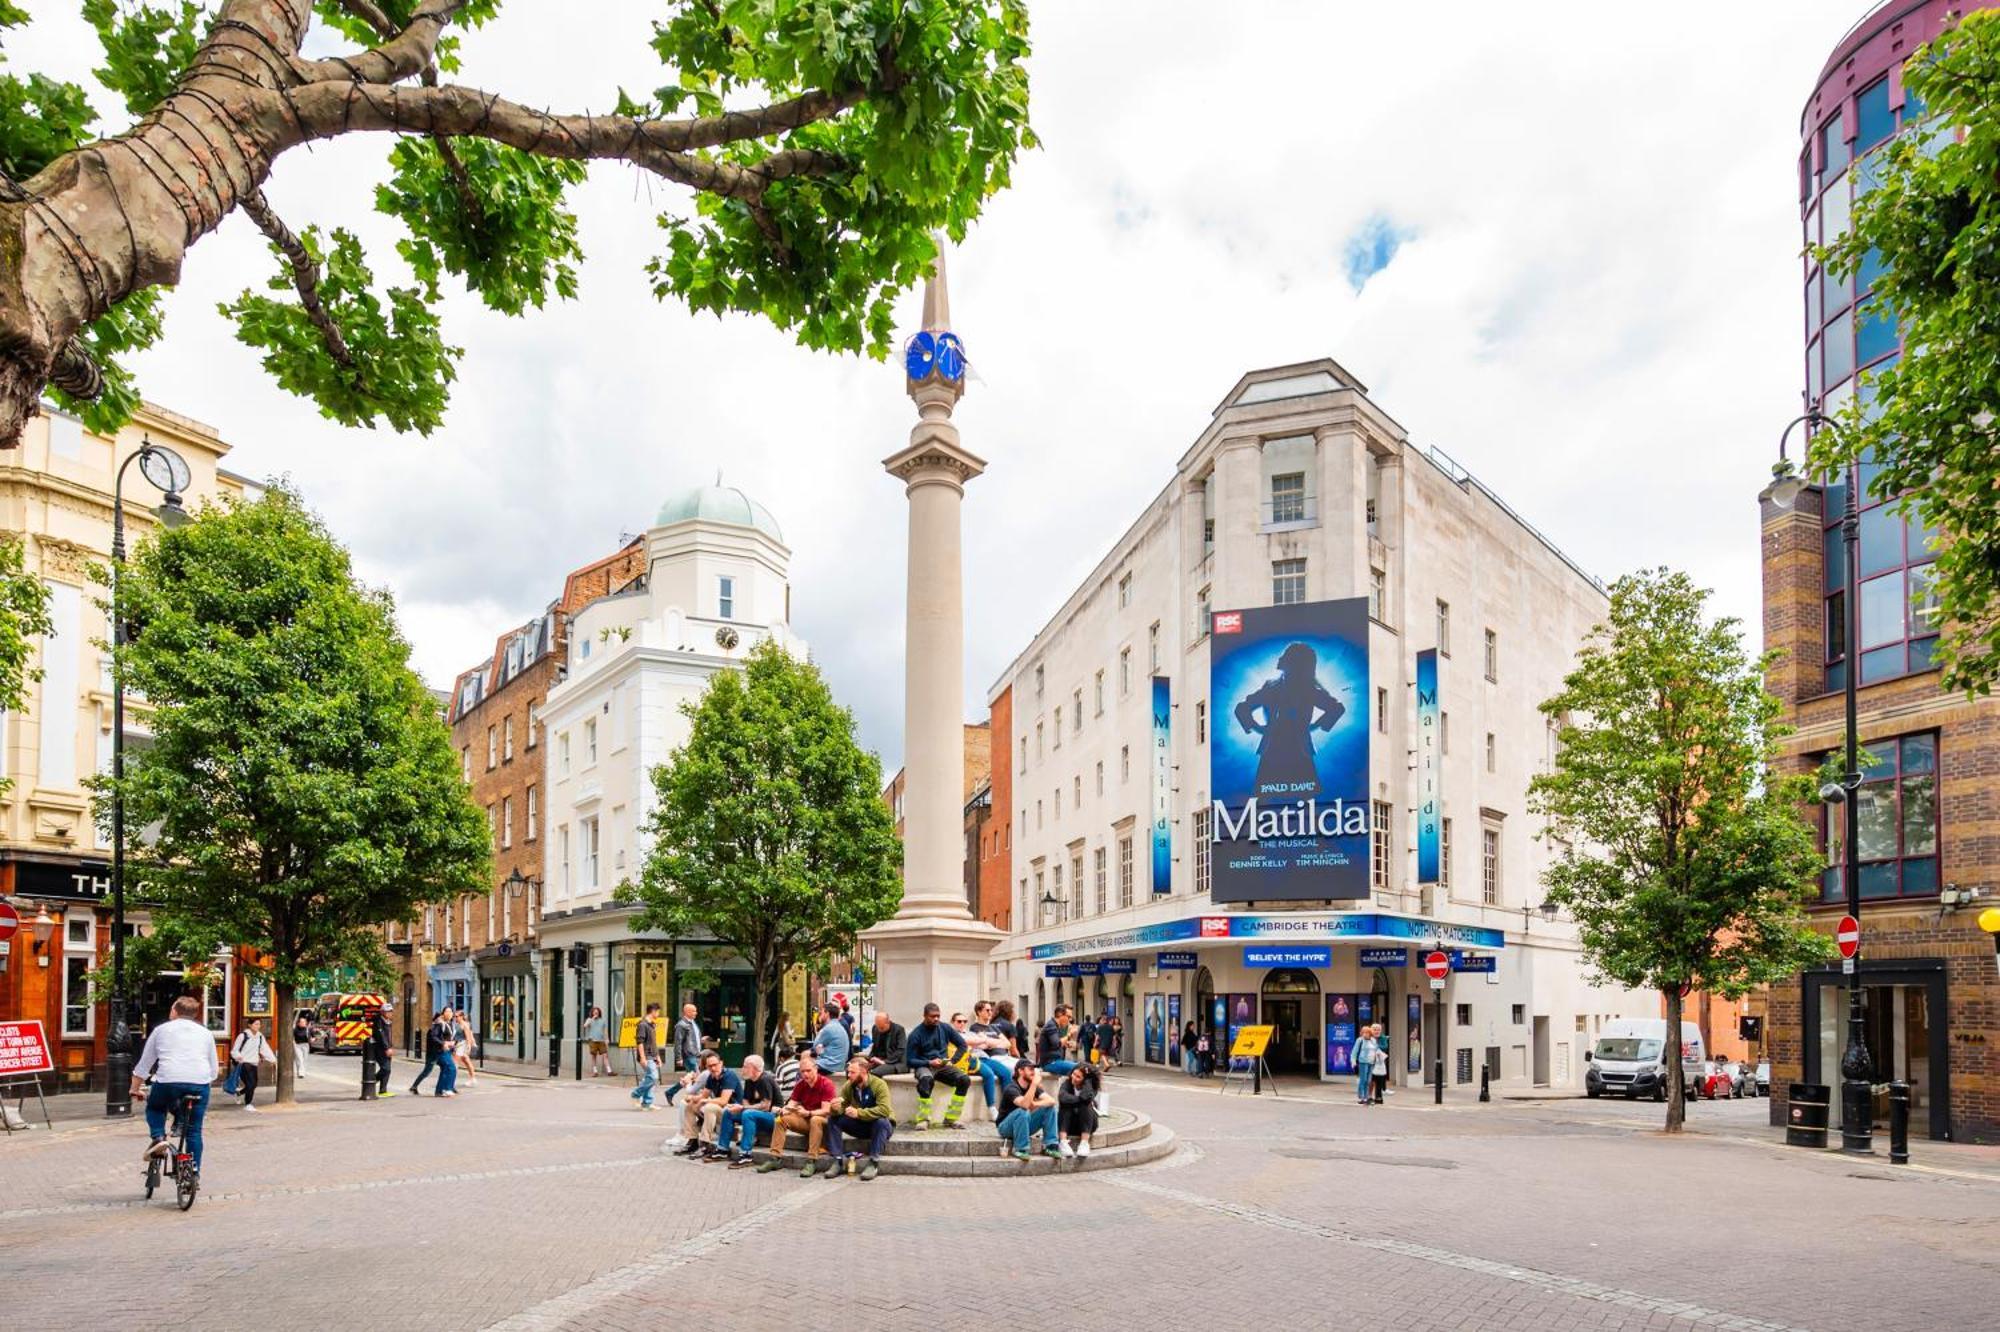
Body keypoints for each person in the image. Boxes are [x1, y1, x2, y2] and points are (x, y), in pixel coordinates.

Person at [132, 995, 218, 1171]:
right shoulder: (206, 1033)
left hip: (168, 1080)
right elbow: (214, 1070)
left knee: (155, 1107)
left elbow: (144, 1064)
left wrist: (134, 1088)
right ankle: (192, 1172)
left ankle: (158, 1137)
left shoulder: (161, 1030)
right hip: (199, 1083)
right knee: (194, 1130)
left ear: (175, 1011)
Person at [762, 1049, 840, 1177]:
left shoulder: (826, 1084)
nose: (805, 1074)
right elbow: (792, 1103)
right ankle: (775, 1158)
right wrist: (784, 1109)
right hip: (806, 1120)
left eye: (808, 1071)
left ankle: (811, 1161)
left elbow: (826, 1111)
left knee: (815, 1119)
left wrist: (809, 1113)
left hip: (824, 1123)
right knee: (781, 1119)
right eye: (802, 1071)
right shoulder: (800, 1084)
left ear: (816, 1069)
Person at [826, 1055, 895, 1180]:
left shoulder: (879, 1084)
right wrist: (835, 1108)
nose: (848, 1075)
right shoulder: (849, 1085)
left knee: (881, 1122)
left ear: (863, 1071)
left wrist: (859, 1113)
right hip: (861, 1124)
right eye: (848, 1072)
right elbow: (843, 1106)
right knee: (833, 1119)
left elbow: (884, 1110)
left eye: (852, 1072)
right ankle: (837, 1160)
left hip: (880, 1127)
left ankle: (873, 1162)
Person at [907, 1003, 972, 1129]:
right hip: (924, 1065)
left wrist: (953, 1061)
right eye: (932, 1016)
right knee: (926, 1080)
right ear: (924, 1016)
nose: (936, 1019)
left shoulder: (945, 1028)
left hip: (943, 1066)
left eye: (938, 1016)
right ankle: (923, 1119)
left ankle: (951, 1118)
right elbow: (910, 1061)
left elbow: (962, 1045)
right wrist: (929, 1063)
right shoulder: (916, 1034)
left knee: (964, 1080)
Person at [712, 1054, 779, 1167]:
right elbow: (745, 1101)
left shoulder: (765, 1079)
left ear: (754, 1068)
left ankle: (746, 1155)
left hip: (773, 1118)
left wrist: (743, 1109)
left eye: (745, 1067)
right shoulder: (749, 1080)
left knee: (748, 1114)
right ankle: (723, 1149)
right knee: (729, 1112)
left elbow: (766, 1106)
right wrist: (740, 1108)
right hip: (755, 1115)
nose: (742, 1069)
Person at [995, 1060, 1062, 1162]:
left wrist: (1035, 1104)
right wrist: (1034, 1085)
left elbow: (1052, 1101)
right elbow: (1025, 1105)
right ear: (1020, 1071)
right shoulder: (1011, 1088)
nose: (1033, 1072)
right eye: (1030, 1069)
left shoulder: (1031, 1086)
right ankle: (1020, 1149)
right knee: (1023, 1111)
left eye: (1034, 1069)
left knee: (1050, 1108)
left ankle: (1050, 1146)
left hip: (1023, 1125)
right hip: (1005, 1128)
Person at [678, 1050, 739, 1156]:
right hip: (721, 1109)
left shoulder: (729, 1076)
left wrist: (706, 1100)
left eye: (715, 1065)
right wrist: (692, 1098)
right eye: (709, 1066)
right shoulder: (711, 1077)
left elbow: (724, 1101)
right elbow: (703, 1096)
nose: (713, 1068)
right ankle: (692, 1141)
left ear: (721, 1063)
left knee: (709, 1107)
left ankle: (706, 1143)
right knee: (689, 1106)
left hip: (732, 1111)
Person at [230, 1017, 275, 1110]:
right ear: (249, 1025)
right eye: (255, 1024)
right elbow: (235, 1050)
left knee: (253, 1084)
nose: (258, 1026)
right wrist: (238, 1056)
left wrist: (273, 1059)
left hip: (254, 1063)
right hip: (244, 1063)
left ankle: (239, 1093)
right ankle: (248, 1104)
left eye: (259, 1024)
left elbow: (265, 1049)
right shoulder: (243, 1036)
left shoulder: (260, 1036)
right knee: (251, 1083)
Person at [663, 1003, 703, 1105]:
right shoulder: (681, 1025)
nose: (696, 1013)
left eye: (696, 1011)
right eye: (693, 1011)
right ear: (687, 1012)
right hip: (689, 1055)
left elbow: (694, 1038)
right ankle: (696, 1100)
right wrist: (679, 1058)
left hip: (695, 1054)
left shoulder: (692, 1023)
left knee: (691, 1078)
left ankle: (670, 1092)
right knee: (697, 1078)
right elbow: (678, 1043)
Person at [1058, 1062, 1100, 1158]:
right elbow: (1062, 1097)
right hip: (1069, 1125)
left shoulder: (1091, 1087)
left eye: (1078, 1077)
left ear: (1084, 1080)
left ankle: (1084, 1143)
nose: (1074, 1078)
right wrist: (1080, 1100)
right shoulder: (1067, 1083)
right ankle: (1063, 1142)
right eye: (1074, 1074)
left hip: (1087, 1125)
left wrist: (1088, 1081)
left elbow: (1087, 1097)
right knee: (1066, 1105)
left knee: (1086, 1105)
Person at [411, 1008, 455, 1095]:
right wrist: (443, 1044)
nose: (450, 1014)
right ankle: (415, 1086)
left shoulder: (447, 1024)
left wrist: (452, 1045)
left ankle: (445, 1088)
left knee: (448, 1067)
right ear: (442, 1014)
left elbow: (448, 1037)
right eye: (448, 1012)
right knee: (427, 1071)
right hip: (434, 1053)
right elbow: (433, 1038)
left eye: (451, 1012)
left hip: (442, 1051)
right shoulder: (437, 1025)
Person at [631, 1002, 662, 1110]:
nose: (658, 1014)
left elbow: (654, 1042)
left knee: (650, 1077)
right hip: (646, 1056)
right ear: (653, 1011)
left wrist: (657, 1057)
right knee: (653, 1077)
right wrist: (643, 1058)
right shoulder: (642, 1024)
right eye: (658, 1011)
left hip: (652, 1055)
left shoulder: (651, 1025)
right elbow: (640, 1042)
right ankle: (635, 1094)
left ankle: (647, 1103)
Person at [812, 1001, 851, 1078]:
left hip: (829, 1065)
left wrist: (821, 1050)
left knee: (803, 1069)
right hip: (839, 1064)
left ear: (827, 1013)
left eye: (822, 1013)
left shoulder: (828, 1028)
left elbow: (815, 1047)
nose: (820, 1015)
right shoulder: (839, 1026)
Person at [365, 1000, 395, 1097]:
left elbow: (388, 1036)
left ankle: (383, 1090)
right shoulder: (379, 1022)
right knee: (385, 1068)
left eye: (391, 1011)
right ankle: (371, 1080)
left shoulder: (388, 1021)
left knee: (388, 1069)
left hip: (387, 1049)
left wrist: (390, 1047)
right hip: (380, 1049)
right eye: (388, 1011)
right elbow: (381, 1036)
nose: (390, 1013)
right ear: (382, 1012)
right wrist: (387, 1048)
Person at [1037, 1005, 1077, 1076]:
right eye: (1068, 1017)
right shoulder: (1051, 1025)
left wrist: (1066, 1044)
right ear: (1060, 1015)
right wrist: (1069, 1034)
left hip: (1055, 1062)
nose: (1070, 1020)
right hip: (1050, 1063)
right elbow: (1057, 1044)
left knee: (1079, 1070)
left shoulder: (1055, 1026)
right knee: (1079, 1068)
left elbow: (1054, 1044)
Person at [865, 1010, 908, 1075]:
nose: (879, 1030)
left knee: (875, 1072)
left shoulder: (899, 1030)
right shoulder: (875, 1028)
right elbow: (875, 1047)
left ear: (888, 1022)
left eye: (881, 1028)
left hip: (895, 1062)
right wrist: (870, 1058)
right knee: (857, 1069)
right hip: (880, 1059)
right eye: (878, 1027)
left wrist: (884, 1061)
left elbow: (900, 1050)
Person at [583, 1005, 611, 1076]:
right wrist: (592, 1018)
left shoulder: (602, 1020)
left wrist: (607, 1039)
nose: (596, 1013)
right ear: (592, 1013)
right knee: (593, 1056)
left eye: (597, 1012)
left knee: (605, 1055)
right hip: (593, 1040)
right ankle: (595, 1071)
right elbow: (585, 1026)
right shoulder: (589, 1020)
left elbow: (605, 1031)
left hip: (601, 1040)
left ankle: (609, 1071)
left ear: (599, 1013)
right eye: (594, 1012)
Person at [453, 1008, 477, 1088]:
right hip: (457, 1044)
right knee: (466, 1061)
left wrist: (469, 1047)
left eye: (457, 1016)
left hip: (462, 1044)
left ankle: (451, 1080)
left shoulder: (465, 1024)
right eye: (455, 1016)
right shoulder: (457, 1024)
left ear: (462, 1016)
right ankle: (473, 1078)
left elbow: (468, 1036)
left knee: (455, 1062)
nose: (455, 1018)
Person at [1352, 1024, 1375, 1106]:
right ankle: (1362, 1097)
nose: (1364, 1034)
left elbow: (1376, 1050)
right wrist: (1353, 1061)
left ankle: (1367, 1096)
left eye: (1366, 1032)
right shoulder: (1360, 1040)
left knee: (1369, 1081)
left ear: (1370, 1033)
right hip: (1363, 1062)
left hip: (1371, 1063)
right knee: (1363, 1080)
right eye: (1363, 1032)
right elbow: (1354, 1051)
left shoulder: (1373, 1040)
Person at [1371, 1025, 1390, 1105]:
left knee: (1378, 1080)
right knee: (1370, 1081)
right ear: (1372, 1030)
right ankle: (1368, 1097)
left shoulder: (1383, 1038)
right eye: (1375, 1029)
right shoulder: (1369, 1038)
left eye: (1378, 1030)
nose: (1377, 1031)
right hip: (1370, 1061)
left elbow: (1385, 1047)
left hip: (1379, 1062)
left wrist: (1376, 1046)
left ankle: (1379, 1098)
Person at [292, 1008, 312, 1079]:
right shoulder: (295, 1029)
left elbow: (311, 1037)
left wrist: (312, 1039)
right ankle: (301, 1073)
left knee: (304, 1060)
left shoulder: (308, 1029)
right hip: (297, 1045)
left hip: (306, 1046)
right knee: (299, 1059)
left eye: (304, 1022)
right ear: (299, 1023)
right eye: (302, 1022)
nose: (303, 1023)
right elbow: (292, 1037)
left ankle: (300, 1072)